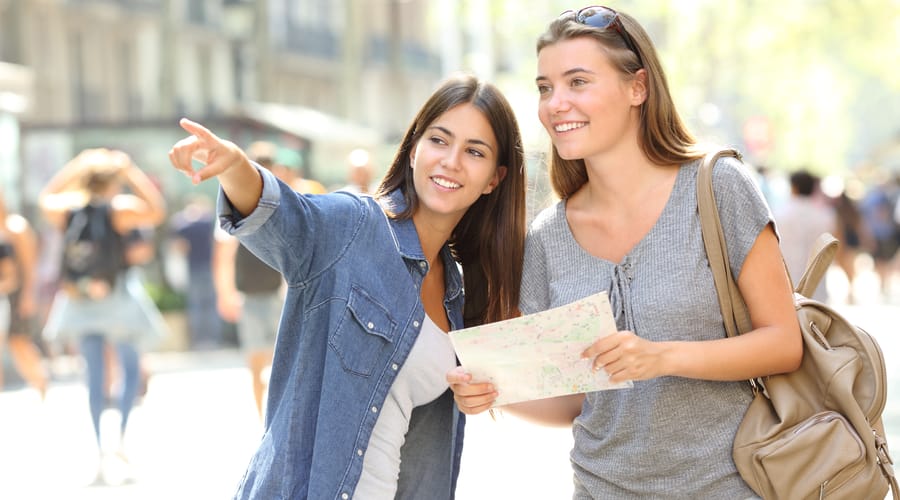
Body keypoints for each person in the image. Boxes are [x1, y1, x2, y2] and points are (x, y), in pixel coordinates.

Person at [447, 7, 802, 499]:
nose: (555, 104)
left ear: (638, 88)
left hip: (732, 486)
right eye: (545, 87)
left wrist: (661, 357)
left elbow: (784, 344)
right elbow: (578, 401)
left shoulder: (718, 187)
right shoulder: (549, 236)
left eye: (577, 82)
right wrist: (494, 393)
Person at [168, 73, 527, 499]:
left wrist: (475, 393)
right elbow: (284, 217)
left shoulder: (457, 293)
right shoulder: (353, 225)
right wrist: (233, 166)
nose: (451, 161)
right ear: (414, 150)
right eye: (439, 140)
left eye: (474, 151)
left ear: (494, 179)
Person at [39, 148, 166, 482]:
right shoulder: (119, 209)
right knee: (129, 369)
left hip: (80, 302)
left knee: (93, 376)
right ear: (113, 181)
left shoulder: (68, 209)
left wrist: (77, 165)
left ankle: (99, 453)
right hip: (117, 299)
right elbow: (156, 211)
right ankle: (120, 439)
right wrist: (130, 170)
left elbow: (44, 198)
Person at [212, 141, 289, 420]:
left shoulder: (278, 201)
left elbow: (223, 255)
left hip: (274, 293)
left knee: (270, 364)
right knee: (264, 364)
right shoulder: (240, 203)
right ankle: (265, 423)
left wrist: (226, 293)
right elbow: (224, 254)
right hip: (261, 294)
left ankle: (269, 422)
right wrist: (226, 293)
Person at [0, 194, 49, 398]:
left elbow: (30, 267)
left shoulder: (16, 227)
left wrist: (29, 295)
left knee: (20, 344)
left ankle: (41, 384)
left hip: (16, 296)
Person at [774, 169, 836, 302]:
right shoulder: (825, 216)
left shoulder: (778, 214)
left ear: (793, 187)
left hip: (786, 283)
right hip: (816, 285)